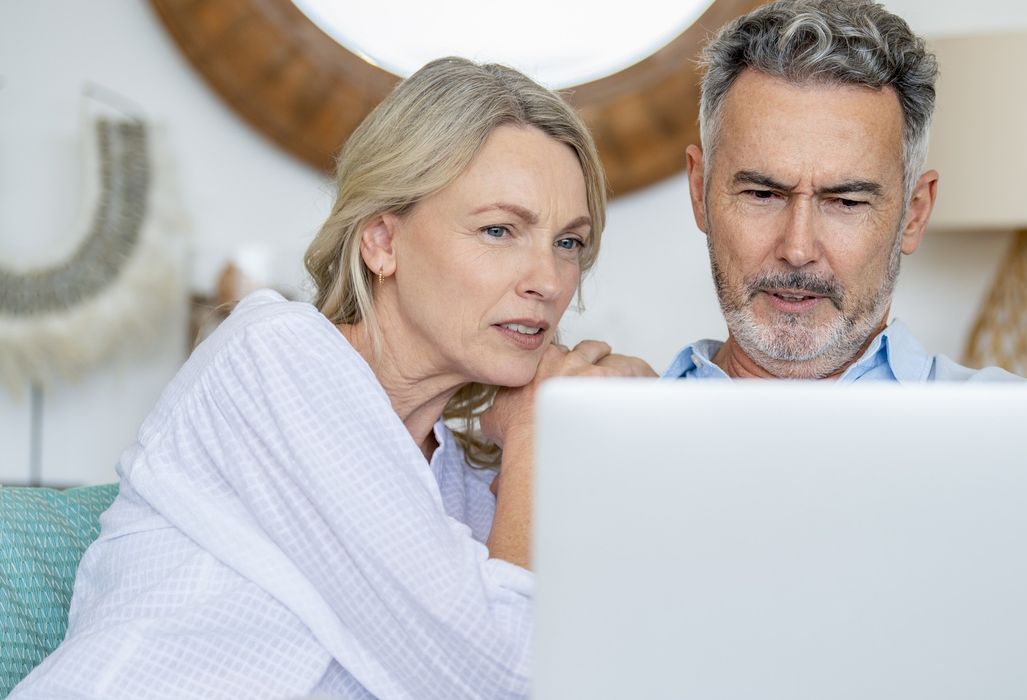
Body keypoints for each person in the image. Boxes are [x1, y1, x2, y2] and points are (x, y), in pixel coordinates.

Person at [11, 57, 650, 699]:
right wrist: (542, 428)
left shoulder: (473, 484)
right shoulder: (276, 360)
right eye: (498, 230)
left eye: (570, 243)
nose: (546, 280)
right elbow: (502, 679)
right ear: (381, 241)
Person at [665, 0, 1027, 695]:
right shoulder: (586, 434)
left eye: (846, 201)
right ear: (700, 192)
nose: (797, 248)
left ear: (914, 211)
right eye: (762, 192)